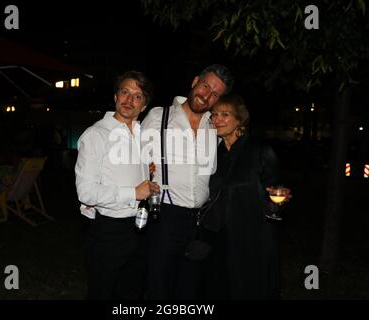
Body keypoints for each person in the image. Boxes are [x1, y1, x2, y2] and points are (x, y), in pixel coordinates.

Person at [141, 64, 234, 299]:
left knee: (191, 291)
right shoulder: (158, 116)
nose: (207, 95)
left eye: (215, 94)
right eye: (205, 86)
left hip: (201, 222)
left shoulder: (215, 126)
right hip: (164, 218)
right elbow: (135, 161)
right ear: (195, 82)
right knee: (160, 289)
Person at [75, 70, 160, 299]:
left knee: (132, 293)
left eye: (138, 96)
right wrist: (133, 192)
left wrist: (148, 174)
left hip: (141, 228)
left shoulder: (143, 136)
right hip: (109, 232)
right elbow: (86, 193)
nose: (129, 100)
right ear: (115, 96)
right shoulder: (96, 135)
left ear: (144, 107)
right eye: (125, 92)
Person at [203, 94, 290, 299]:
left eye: (225, 114)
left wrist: (279, 202)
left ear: (239, 120)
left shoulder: (260, 151)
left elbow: (275, 193)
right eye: (214, 115)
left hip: (253, 238)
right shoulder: (213, 154)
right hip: (220, 238)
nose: (217, 120)